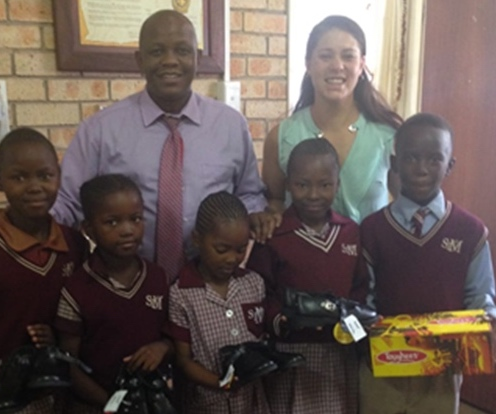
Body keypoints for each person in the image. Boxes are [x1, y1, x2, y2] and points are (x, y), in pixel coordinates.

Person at [51, 9, 266, 280]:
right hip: (126, 285)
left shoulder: (231, 126)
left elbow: (249, 194)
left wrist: (255, 215)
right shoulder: (100, 130)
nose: (170, 61)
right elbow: (68, 202)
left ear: (197, 59)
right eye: (156, 52)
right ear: (140, 61)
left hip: (209, 285)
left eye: (182, 50)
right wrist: (22, 226)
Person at [359, 113, 496, 414]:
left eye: (434, 159)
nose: (421, 169)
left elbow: (481, 300)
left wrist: (478, 330)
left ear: (450, 165)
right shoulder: (371, 230)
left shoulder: (470, 232)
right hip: (381, 369)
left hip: (442, 373)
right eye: (410, 158)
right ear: (394, 164)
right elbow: (362, 298)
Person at [0, 127, 88, 413]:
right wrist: (1, 382)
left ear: (58, 177)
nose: (34, 187)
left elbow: (82, 315)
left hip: (56, 386)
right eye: (19, 177)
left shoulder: (74, 244)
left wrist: (56, 337)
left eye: (45, 176)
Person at [247, 138, 368, 413]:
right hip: (291, 351)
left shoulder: (351, 232)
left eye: (325, 185)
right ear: (289, 184)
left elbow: (361, 286)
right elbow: (257, 290)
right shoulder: (274, 235)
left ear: (337, 184)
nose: (314, 194)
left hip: (339, 350)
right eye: (303, 184)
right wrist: (280, 319)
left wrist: (353, 318)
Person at [262, 15, 402, 225]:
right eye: (326, 56)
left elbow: (406, 204)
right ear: (308, 64)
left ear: (361, 64)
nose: (337, 66)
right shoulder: (281, 137)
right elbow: (274, 202)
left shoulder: (388, 136)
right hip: (304, 256)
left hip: (373, 257)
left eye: (348, 56)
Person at [55, 174, 173, 413]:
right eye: (112, 222)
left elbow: (175, 338)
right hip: (98, 404)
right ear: (89, 229)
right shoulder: (77, 289)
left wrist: (162, 348)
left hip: (151, 402)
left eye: (135, 219)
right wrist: (113, 404)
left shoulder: (158, 277)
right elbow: (68, 365)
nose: (127, 230)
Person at [167, 191, 270, 414]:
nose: (232, 258)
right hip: (207, 404)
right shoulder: (181, 293)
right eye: (221, 250)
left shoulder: (254, 284)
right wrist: (220, 383)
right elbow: (184, 361)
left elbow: (262, 340)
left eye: (241, 249)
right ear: (197, 239)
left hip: (253, 403)